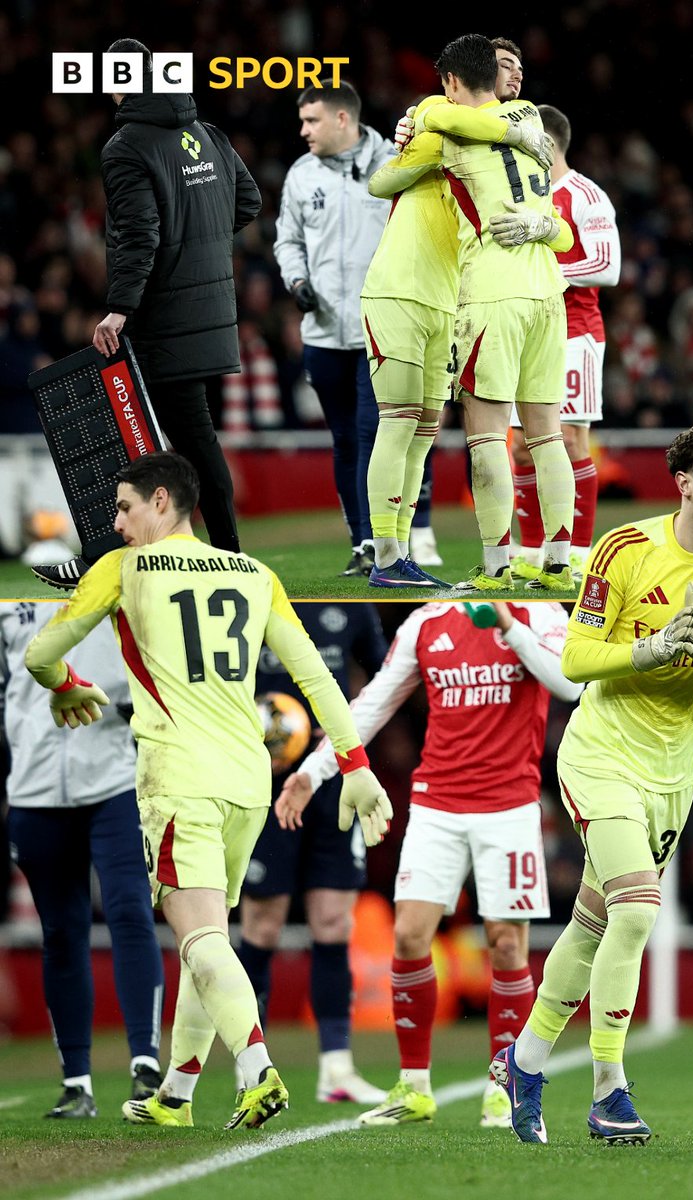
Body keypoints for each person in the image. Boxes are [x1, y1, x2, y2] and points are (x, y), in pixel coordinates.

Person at [22, 450, 392, 1131]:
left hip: (179, 779)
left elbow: (40, 654)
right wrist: (357, 765)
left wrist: (66, 688)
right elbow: (315, 675)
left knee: (196, 937)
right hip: (249, 778)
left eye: (125, 508)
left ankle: (256, 1070)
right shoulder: (255, 573)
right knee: (213, 936)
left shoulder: (121, 569)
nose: (117, 523)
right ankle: (176, 1095)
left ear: (163, 502)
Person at [490, 421, 693, 1145]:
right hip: (600, 757)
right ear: (684, 482)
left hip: (673, 777)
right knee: (637, 910)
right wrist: (653, 648)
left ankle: (525, 1060)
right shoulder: (625, 549)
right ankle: (608, 1089)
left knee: (594, 925)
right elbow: (581, 659)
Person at [275, 600, 583, 1128]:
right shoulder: (427, 621)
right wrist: (314, 770)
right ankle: (413, 1085)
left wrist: (510, 626)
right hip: (436, 805)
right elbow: (374, 702)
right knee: (410, 937)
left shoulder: (539, 610)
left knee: (506, 943)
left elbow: (568, 683)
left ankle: (503, 1087)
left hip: (509, 808)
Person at [33, 37, 261, 591]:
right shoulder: (207, 134)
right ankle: (213, 555)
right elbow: (248, 201)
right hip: (211, 313)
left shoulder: (125, 146)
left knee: (134, 436)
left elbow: (140, 234)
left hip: (161, 319)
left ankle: (120, 560)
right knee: (189, 437)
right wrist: (199, 250)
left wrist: (119, 309)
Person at [362, 41, 553, 590]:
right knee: (398, 421)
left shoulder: (462, 135)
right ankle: (383, 555)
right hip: (397, 292)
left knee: (423, 431)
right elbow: (379, 182)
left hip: (448, 298)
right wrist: (413, 149)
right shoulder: (440, 135)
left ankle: (400, 556)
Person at [419, 34, 576, 594]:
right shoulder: (529, 116)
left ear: (453, 83)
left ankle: (495, 568)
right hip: (547, 294)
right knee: (547, 436)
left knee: (486, 437)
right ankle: (558, 563)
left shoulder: (449, 132)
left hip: (491, 291)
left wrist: (415, 122)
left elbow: (424, 127)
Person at [0, 601, 164, 1118]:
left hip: (114, 781)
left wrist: (130, 710)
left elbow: (161, 678)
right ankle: (77, 1084)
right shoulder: (11, 603)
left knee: (130, 912)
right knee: (62, 933)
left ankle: (146, 1070)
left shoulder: (120, 584)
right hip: (33, 790)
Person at [237, 602, 388, 1104]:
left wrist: (346, 728)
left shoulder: (352, 605)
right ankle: (251, 1067)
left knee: (333, 924)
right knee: (261, 926)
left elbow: (386, 678)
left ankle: (337, 1069)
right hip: (262, 783)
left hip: (333, 782)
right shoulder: (248, 598)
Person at [274, 80, 412, 578]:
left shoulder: (396, 163)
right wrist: (296, 278)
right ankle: (361, 543)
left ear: (341, 119)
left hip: (381, 327)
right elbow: (286, 239)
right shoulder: (300, 174)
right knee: (344, 440)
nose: (303, 130)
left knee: (372, 433)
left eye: (311, 121)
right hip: (323, 331)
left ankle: (383, 540)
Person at [510, 105, 621, 582]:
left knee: (571, 439)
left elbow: (607, 266)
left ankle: (577, 550)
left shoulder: (585, 195)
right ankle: (532, 550)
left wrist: (546, 274)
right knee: (519, 447)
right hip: (527, 334)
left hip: (575, 333)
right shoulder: (521, 195)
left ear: (548, 144)